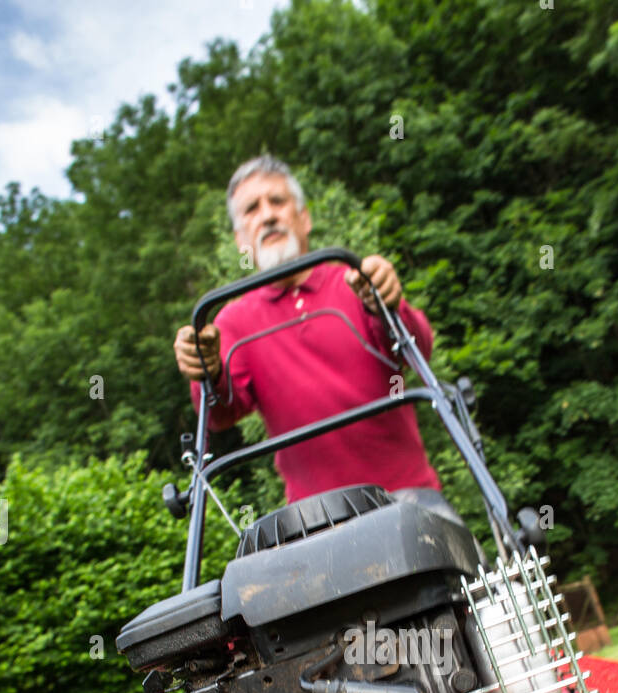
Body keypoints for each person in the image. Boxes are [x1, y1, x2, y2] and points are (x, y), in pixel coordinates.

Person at [173, 154, 466, 527]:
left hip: (410, 500)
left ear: (304, 218)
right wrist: (206, 370)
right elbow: (219, 414)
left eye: (277, 201)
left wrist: (388, 304)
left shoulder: (354, 282)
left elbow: (419, 349)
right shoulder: (232, 322)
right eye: (252, 209)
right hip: (316, 523)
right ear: (240, 240)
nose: (268, 215)